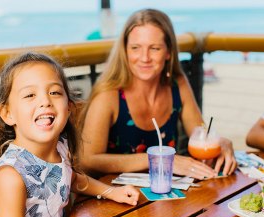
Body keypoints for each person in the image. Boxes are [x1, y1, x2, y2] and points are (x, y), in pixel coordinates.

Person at [0, 52, 139, 217]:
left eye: (55, 92)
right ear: (7, 114)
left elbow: (71, 178)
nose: (45, 101)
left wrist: (111, 192)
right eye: (30, 95)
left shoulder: (60, 146)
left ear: (68, 107)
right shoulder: (11, 177)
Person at [80, 8, 237, 180]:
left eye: (154, 48)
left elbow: (200, 133)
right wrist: (157, 159)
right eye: (135, 48)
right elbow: (88, 160)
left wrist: (220, 142)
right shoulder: (109, 95)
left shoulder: (177, 83)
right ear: (125, 51)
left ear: (168, 52)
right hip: (117, 199)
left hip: (166, 195)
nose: (145, 57)